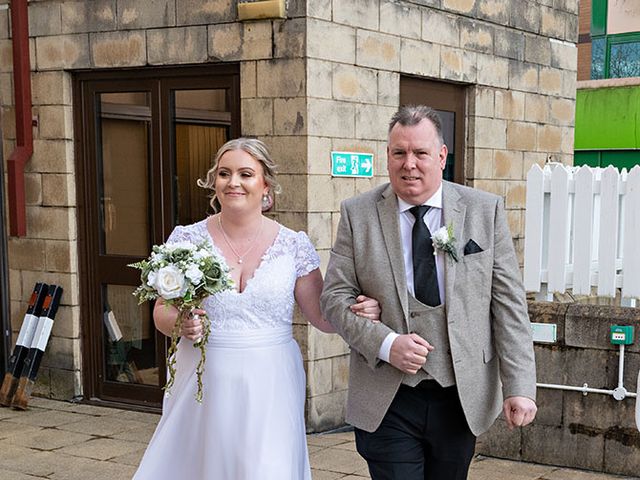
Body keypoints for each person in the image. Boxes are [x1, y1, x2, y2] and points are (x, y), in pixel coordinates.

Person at [133, 138, 381, 480]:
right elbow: (161, 311)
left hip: (271, 382)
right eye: (224, 173)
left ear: (266, 186)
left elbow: (323, 317)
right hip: (204, 378)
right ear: (214, 182)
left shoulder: (294, 245)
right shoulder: (185, 240)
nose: (233, 182)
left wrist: (358, 311)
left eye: (245, 174)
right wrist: (182, 323)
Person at [320, 105, 537, 480]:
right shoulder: (358, 213)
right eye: (398, 153)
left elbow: (508, 305)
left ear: (441, 156)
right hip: (387, 397)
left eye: (420, 153)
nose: (409, 165)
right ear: (387, 155)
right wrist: (387, 343)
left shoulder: (484, 211)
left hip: (459, 393)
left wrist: (520, 386)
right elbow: (334, 298)